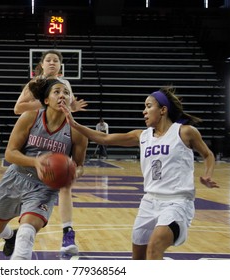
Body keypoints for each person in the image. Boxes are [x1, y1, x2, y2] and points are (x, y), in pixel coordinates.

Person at [61, 86, 219, 260]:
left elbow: (208, 154)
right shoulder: (142, 136)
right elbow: (104, 138)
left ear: (163, 110)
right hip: (149, 201)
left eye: (148, 106)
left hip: (177, 202)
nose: (144, 111)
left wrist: (208, 174)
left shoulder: (184, 132)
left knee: (155, 247)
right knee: (138, 258)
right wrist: (74, 124)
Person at [0, 78, 88, 260]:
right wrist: (36, 162)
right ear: (46, 100)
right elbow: (10, 153)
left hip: (44, 188)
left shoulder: (77, 132)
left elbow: (79, 166)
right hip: (16, 177)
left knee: (27, 233)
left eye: (66, 93)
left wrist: (73, 172)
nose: (62, 95)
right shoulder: (30, 117)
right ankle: (10, 236)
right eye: (57, 92)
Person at [13, 49, 88, 255]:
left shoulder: (66, 85)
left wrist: (71, 106)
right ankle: (14, 231)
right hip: (38, 132)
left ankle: (67, 232)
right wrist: (47, 101)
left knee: (66, 178)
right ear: (42, 64)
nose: (53, 63)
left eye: (56, 60)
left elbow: (66, 108)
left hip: (61, 131)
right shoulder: (35, 84)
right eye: (49, 60)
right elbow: (18, 108)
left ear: (60, 66)